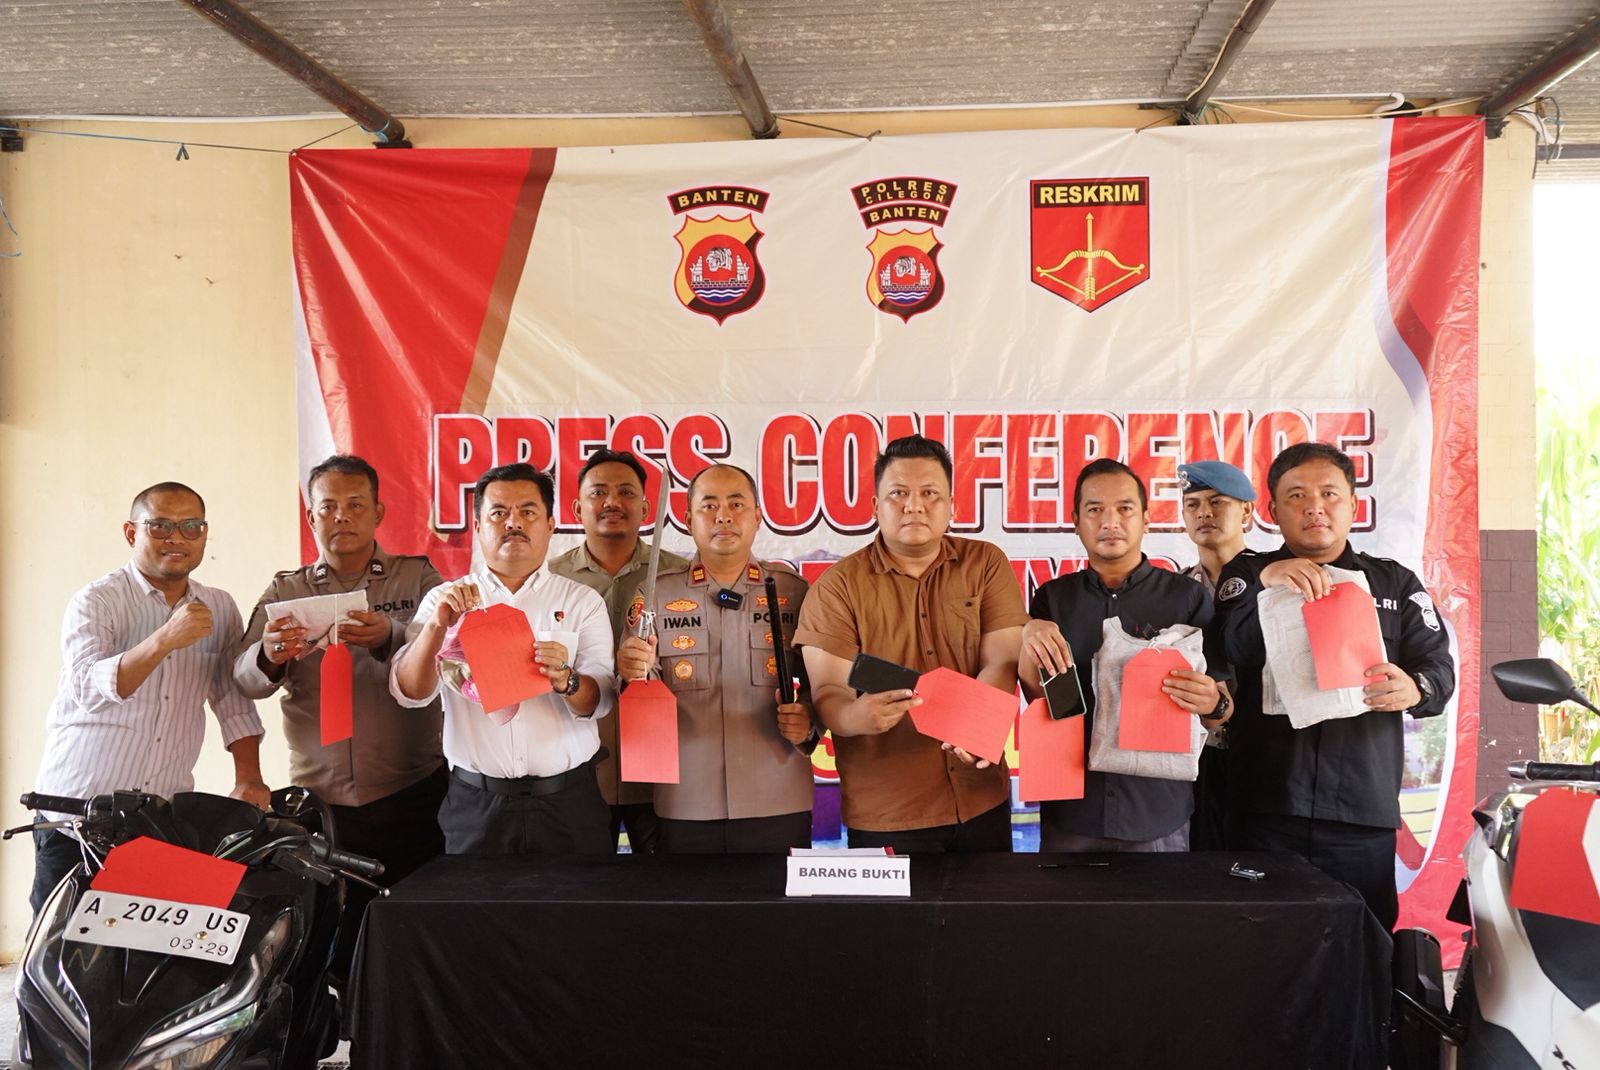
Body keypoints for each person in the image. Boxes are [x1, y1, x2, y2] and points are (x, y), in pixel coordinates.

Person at [1215, 442, 1455, 929]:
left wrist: (1416, 688)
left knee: (1362, 942)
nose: (1314, 507)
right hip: (1266, 807)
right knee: (1258, 944)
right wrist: (1268, 580)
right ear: (1272, 511)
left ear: (1354, 505)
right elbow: (1230, 646)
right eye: (1297, 496)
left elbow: (1438, 668)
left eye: (1329, 494)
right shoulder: (1246, 574)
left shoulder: (1394, 583)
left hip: (1360, 812)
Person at [233, 455, 446, 981]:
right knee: (327, 938)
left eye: (355, 505)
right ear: (311, 518)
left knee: (414, 932)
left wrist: (392, 635)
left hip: (412, 789)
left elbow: (448, 654)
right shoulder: (286, 591)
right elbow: (244, 679)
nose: (342, 516)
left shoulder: (418, 577)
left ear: (379, 512)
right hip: (320, 799)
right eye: (328, 507)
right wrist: (270, 654)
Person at [31, 482, 267, 915]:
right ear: (131, 532)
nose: (176, 538)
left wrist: (249, 777)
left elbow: (232, 699)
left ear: (204, 534)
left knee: (147, 950)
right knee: (62, 947)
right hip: (77, 817)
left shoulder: (218, 606)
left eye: (191, 526)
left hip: (158, 819)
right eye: (159, 526)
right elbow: (87, 689)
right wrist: (164, 638)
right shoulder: (97, 600)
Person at [794, 435, 1026, 853]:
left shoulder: (985, 564)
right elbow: (828, 690)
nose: (913, 505)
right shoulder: (837, 588)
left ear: (952, 505)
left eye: (929, 493)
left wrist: (977, 727)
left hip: (981, 799)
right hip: (886, 810)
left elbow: (1002, 660)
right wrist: (854, 716)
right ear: (875, 506)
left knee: (990, 899)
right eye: (898, 493)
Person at [390, 463, 615, 855]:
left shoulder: (581, 601)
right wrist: (439, 627)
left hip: (568, 803)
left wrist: (567, 680)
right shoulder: (444, 600)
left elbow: (603, 700)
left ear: (550, 525)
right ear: (478, 527)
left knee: (580, 898)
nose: (513, 523)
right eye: (498, 513)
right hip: (476, 806)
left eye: (527, 512)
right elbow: (409, 692)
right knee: (475, 900)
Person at [1021, 459, 1227, 852]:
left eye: (1124, 508)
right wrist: (1025, 632)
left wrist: (1210, 702)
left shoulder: (1186, 597)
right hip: (1072, 811)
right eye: (1095, 509)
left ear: (1146, 519)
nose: (1110, 521)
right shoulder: (1053, 599)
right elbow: (1038, 697)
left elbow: (1221, 708)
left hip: (1157, 812)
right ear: (1075, 521)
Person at [616, 464, 816, 852]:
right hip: (686, 801)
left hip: (778, 797)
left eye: (736, 504)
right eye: (709, 506)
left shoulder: (793, 592)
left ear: (757, 517)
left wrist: (808, 722)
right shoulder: (655, 594)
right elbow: (638, 688)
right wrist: (631, 673)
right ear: (688, 520)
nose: (723, 516)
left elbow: (822, 684)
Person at [549, 449, 689, 853]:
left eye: (626, 492)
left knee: (662, 884)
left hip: (659, 767)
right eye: (598, 493)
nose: (612, 502)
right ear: (577, 508)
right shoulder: (551, 579)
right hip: (578, 770)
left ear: (645, 508)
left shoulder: (677, 576)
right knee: (586, 885)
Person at [1176, 459, 1257, 849]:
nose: (1203, 512)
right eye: (1192, 504)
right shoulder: (1172, 593)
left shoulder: (1276, 582)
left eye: (1217, 501)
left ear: (1247, 512)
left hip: (1262, 753)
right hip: (1196, 758)